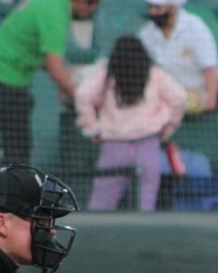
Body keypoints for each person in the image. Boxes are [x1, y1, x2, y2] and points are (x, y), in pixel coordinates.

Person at [0, 0, 102, 166]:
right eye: (91, 4)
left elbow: (45, 60)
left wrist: (67, 80)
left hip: (3, 77)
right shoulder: (55, 13)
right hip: (2, 77)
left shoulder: (51, 4)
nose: (92, 10)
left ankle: (10, 184)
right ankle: (10, 188)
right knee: (18, 148)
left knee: (18, 143)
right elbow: (54, 67)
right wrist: (82, 97)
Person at [76, 35, 188, 212]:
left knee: (100, 209)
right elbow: (180, 98)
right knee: (145, 207)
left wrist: (92, 128)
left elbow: (82, 94)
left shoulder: (108, 75)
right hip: (147, 146)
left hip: (114, 148)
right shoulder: (155, 73)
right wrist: (169, 127)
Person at [138, 0, 218, 115]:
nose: (152, 12)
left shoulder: (196, 28)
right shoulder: (146, 34)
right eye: (150, 7)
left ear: (173, 8)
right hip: (165, 101)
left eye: (157, 8)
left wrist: (212, 100)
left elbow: (209, 68)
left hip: (198, 97)